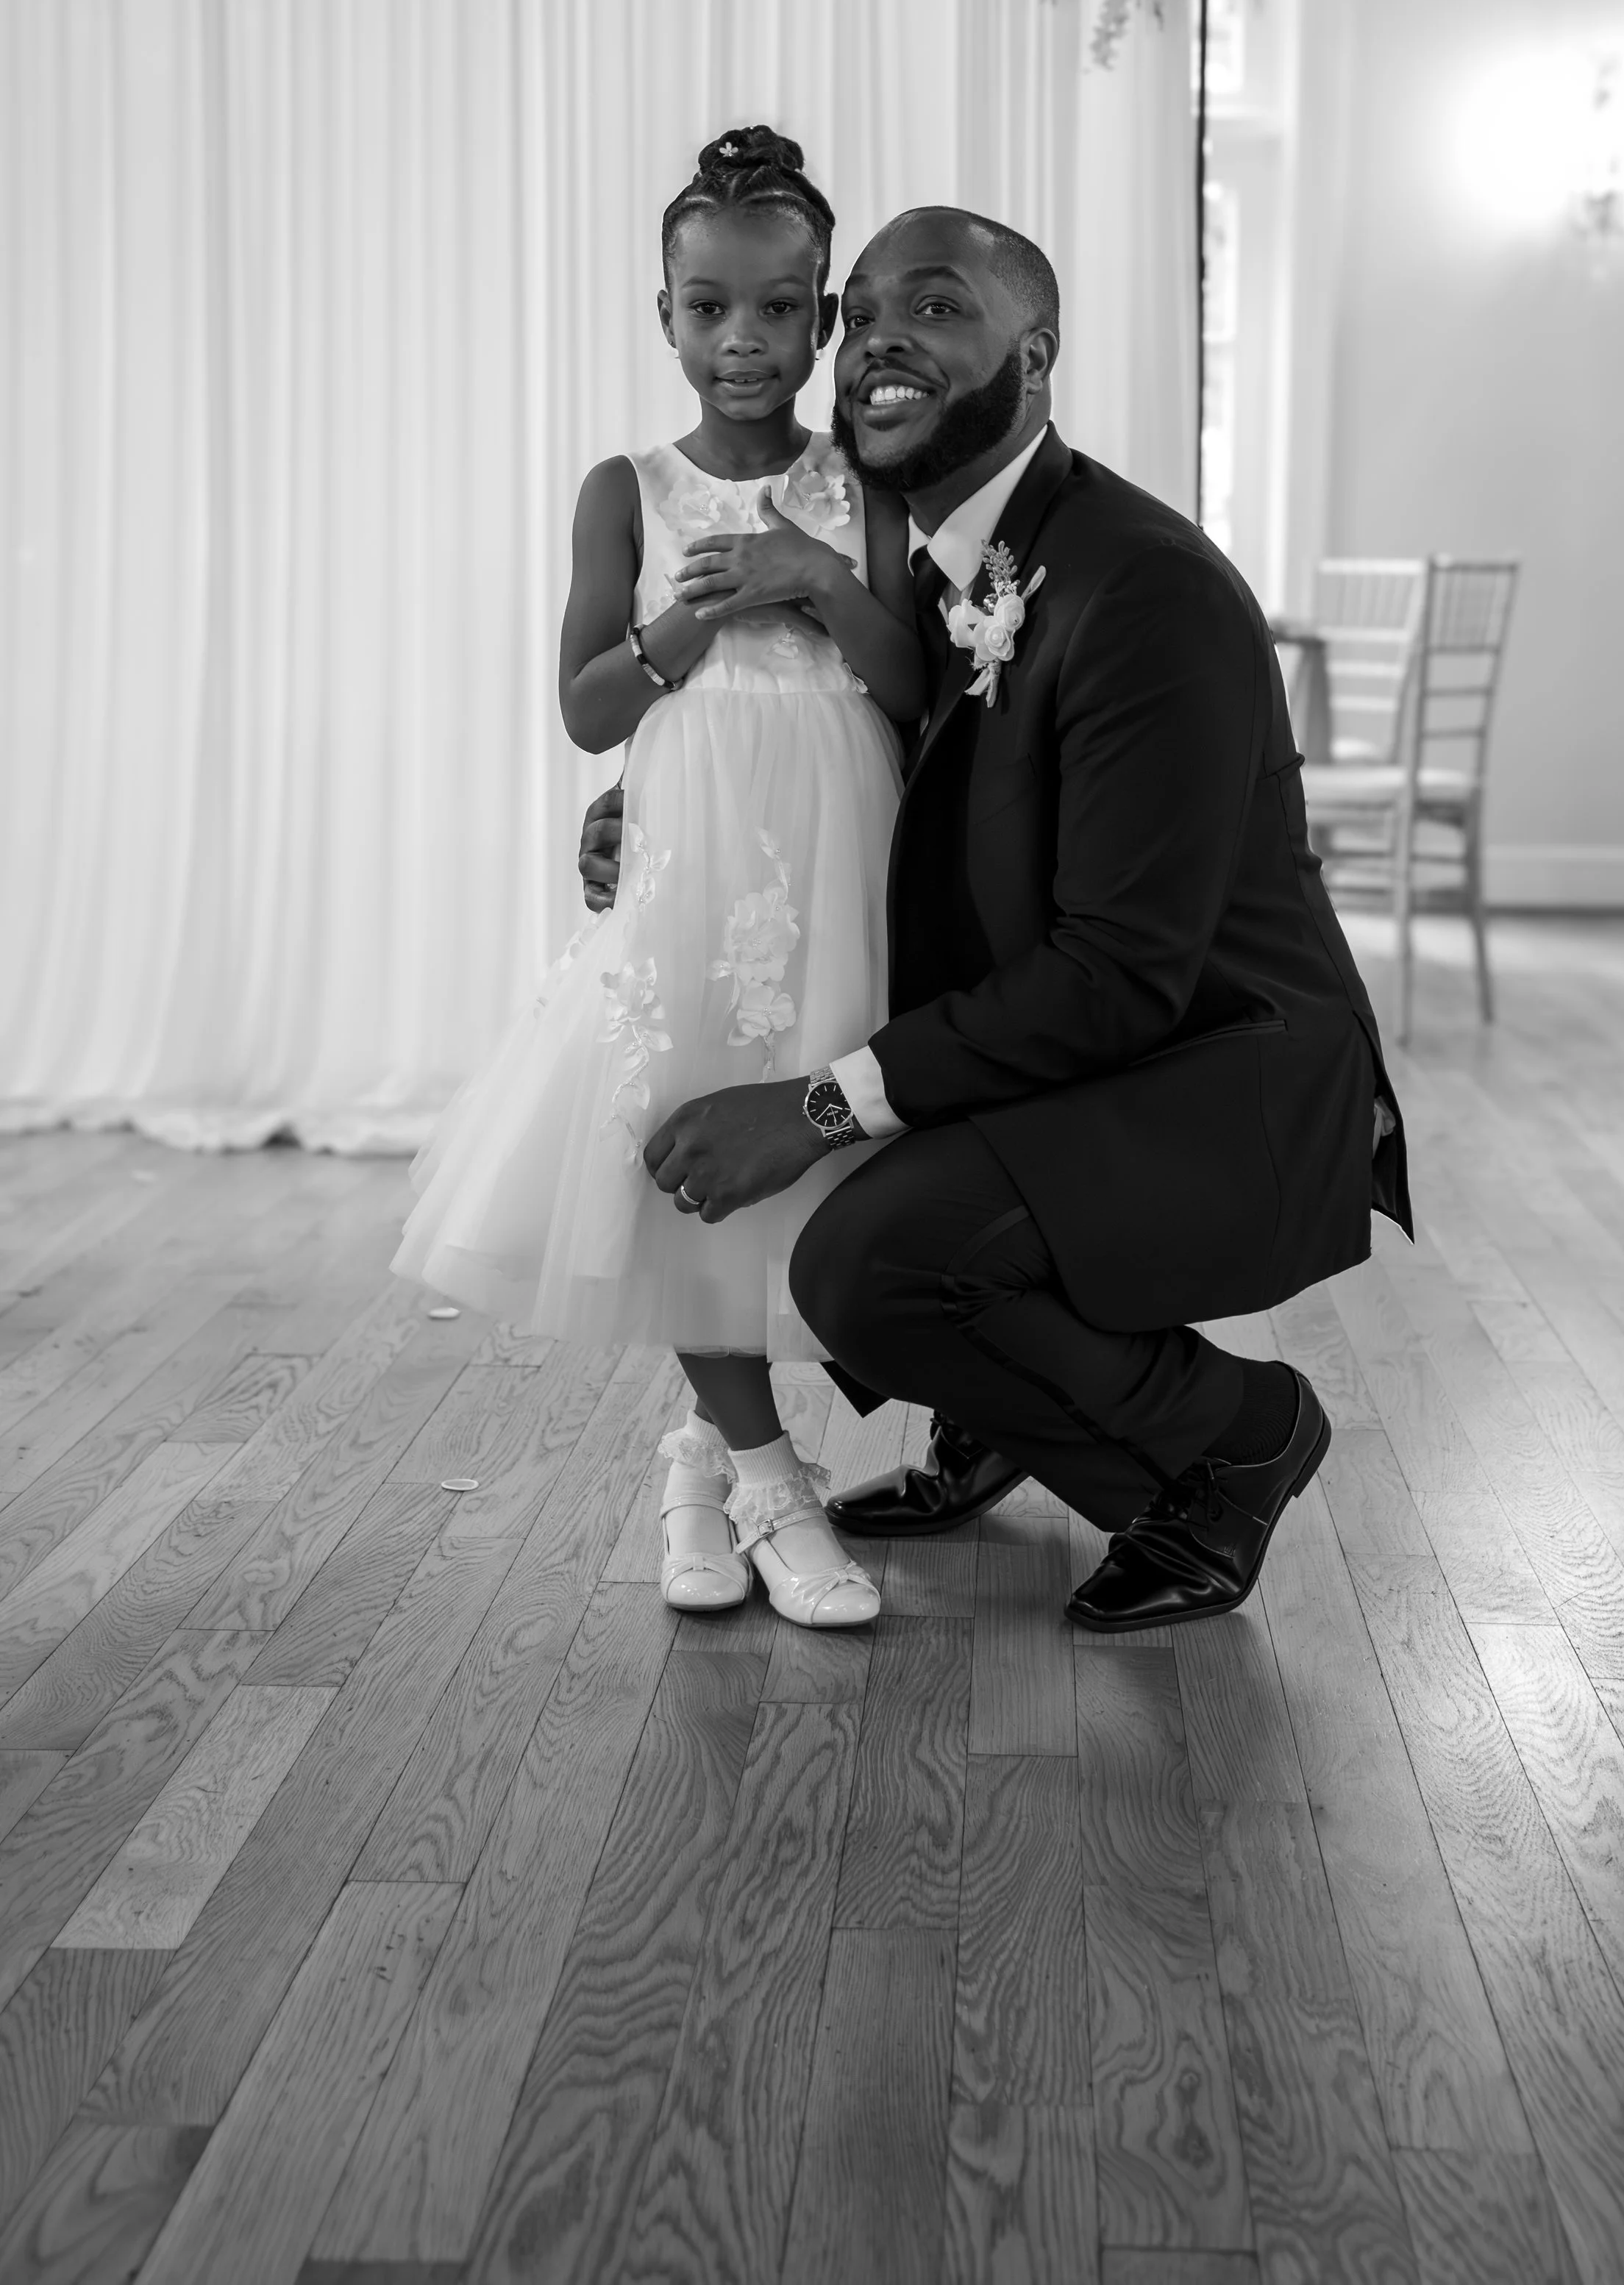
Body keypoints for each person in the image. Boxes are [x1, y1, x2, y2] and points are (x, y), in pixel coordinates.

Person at [583, 203, 1411, 1628]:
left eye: (938, 308)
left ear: (1035, 356)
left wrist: (817, 1106)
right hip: (1098, 1051)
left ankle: (1229, 1439)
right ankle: (994, 1423)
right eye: (864, 312)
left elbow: (1115, 977)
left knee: (866, 1249)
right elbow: (904, 788)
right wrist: (660, 813)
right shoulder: (938, 560)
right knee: (871, 1176)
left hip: (1226, 1082)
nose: (878, 341)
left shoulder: (1137, 587)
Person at [395, 129, 925, 1630]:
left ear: (823, 319)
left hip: (841, 860)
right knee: (684, 1138)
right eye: (707, 307)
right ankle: (771, 1478)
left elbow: (906, 690)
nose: (740, 341)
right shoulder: (623, 488)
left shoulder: (857, 488)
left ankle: (698, 1459)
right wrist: (684, 633)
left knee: (807, 1164)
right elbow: (584, 711)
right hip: (694, 860)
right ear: (664, 315)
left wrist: (812, 582)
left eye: (775, 309)